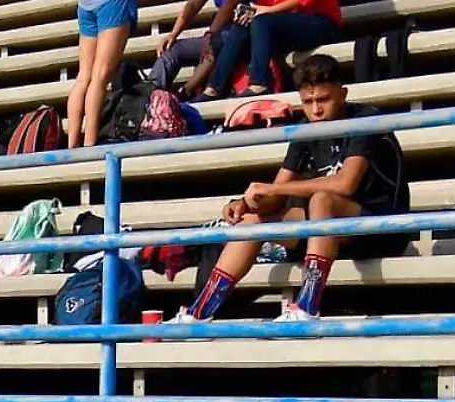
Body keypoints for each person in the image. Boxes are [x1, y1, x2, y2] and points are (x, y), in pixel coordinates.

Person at [173, 55, 408, 325]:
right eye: (308, 102)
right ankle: (200, 311)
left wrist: (274, 188)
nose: (316, 109)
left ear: (343, 94)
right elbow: (278, 191)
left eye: (324, 99)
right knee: (252, 221)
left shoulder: (365, 119)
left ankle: (307, 306)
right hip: (327, 232)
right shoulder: (307, 129)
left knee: (323, 199)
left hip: (382, 228)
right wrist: (247, 202)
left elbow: (346, 183)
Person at [200, 0, 342, 100]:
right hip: (283, 23)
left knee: (261, 21)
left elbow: (298, 3)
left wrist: (263, 12)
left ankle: (259, 84)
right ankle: (213, 88)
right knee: (240, 26)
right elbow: (259, 8)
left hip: (321, 22)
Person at [67, 0, 138, 148]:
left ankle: (71, 146)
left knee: (83, 77)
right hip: (112, 4)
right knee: (100, 76)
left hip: (86, 5)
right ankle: (89, 145)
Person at [151, 0, 233, 96]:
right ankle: (151, 94)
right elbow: (193, 5)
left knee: (215, 44)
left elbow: (230, 4)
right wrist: (173, 34)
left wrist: (210, 35)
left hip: (241, 30)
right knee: (172, 50)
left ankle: (185, 92)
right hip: (221, 31)